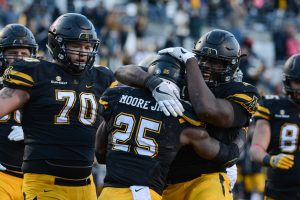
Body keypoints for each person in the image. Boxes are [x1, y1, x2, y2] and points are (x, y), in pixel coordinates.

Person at [115, 29, 259, 199]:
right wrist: (152, 82)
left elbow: (207, 110)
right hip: (166, 180)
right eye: (202, 58)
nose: (205, 66)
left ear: (231, 64)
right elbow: (121, 72)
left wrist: (190, 62)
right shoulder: (184, 74)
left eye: (215, 62)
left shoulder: (243, 91)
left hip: (207, 176)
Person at [0, 13, 117, 200]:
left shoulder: (101, 77)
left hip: (86, 186)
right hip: (47, 185)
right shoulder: (38, 72)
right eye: (76, 46)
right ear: (58, 44)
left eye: (87, 47)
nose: (83, 52)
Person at [96, 54, 245, 200]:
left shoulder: (116, 97)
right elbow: (226, 156)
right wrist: (241, 133)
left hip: (108, 192)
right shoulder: (181, 115)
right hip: (143, 194)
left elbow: (100, 153)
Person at [250, 53, 300, 200]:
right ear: (288, 81)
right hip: (280, 191)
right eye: (298, 81)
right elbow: (256, 149)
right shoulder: (273, 106)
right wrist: (271, 160)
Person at [0, 24, 38, 200]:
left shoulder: (43, 86)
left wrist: (32, 132)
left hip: (35, 180)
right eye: (13, 53)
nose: (19, 59)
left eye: (24, 54)